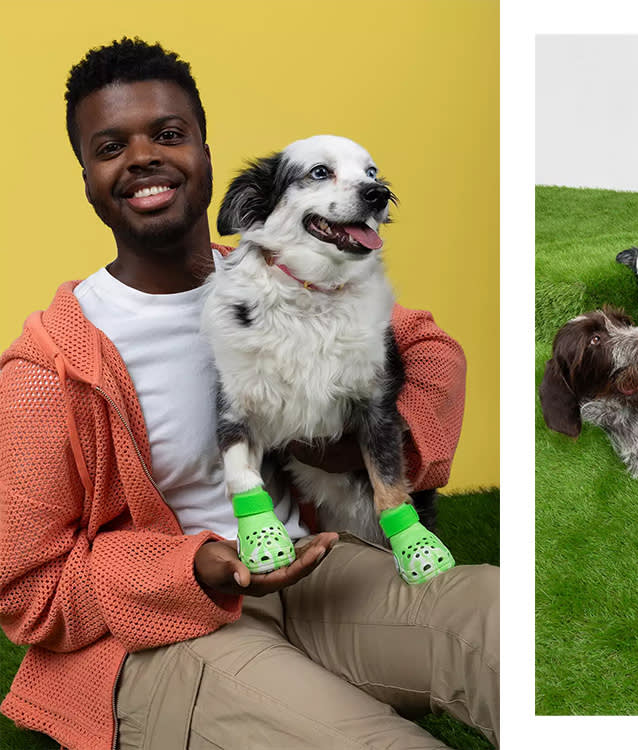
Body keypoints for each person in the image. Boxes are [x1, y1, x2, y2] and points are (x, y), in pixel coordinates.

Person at [0, 37, 498, 750]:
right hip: (170, 635)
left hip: (318, 566)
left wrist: (363, 448)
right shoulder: (48, 367)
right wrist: (194, 565)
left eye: (168, 135)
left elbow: (428, 348)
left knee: (507, 625)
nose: (142, 156)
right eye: (111, 146)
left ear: (205, 154)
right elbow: (30, 591)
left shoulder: (285, 270)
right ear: (86, 178)